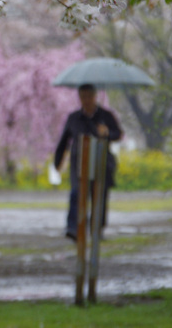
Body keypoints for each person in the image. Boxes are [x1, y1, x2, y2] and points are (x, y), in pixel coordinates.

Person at [53, 83, 122, 241]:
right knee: (76, 194)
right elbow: (64, 142)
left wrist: (107, 133)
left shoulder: (106, 116)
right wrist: (57, 162)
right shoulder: (74, 118)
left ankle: (97, 228)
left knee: (100, 197)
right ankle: (73, 228)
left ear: (95, 96)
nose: (86, 100)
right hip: (79, 164)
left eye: (89, 97)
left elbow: (117, 133)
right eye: (83, 97)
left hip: (101, 163)